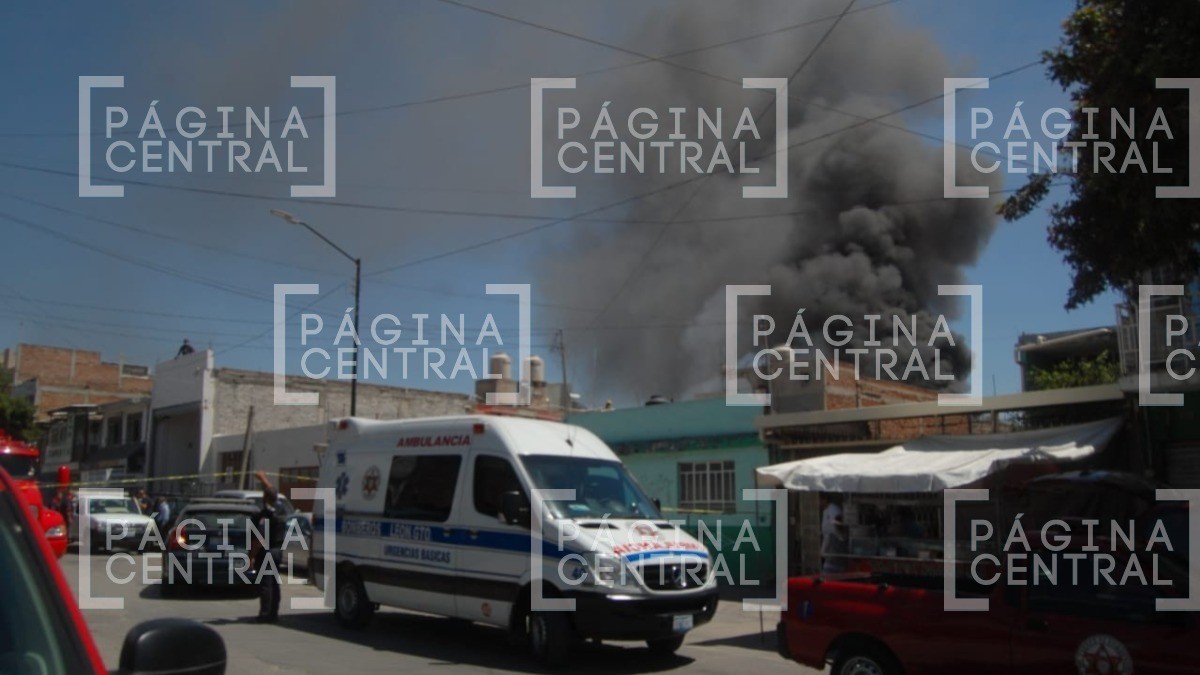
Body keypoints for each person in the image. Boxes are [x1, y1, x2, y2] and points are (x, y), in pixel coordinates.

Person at [251, 471, 286, 623]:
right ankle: (274, 613)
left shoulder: (265, 516)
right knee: (274, 582)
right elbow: (272, 493)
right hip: (278, 551)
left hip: (267, 552)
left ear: (265, 498)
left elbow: (259, 539)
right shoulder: (281, 510)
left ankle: (265, 614)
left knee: (266, 583)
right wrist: (264, 479)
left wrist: (251, 556)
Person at [820, 495, 849, 573]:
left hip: (836, 551)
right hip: (829, 553)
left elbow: (837, 528)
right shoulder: (825, 511)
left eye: (820, 500)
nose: (819, 503)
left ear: (825, 500)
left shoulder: (833, 509)